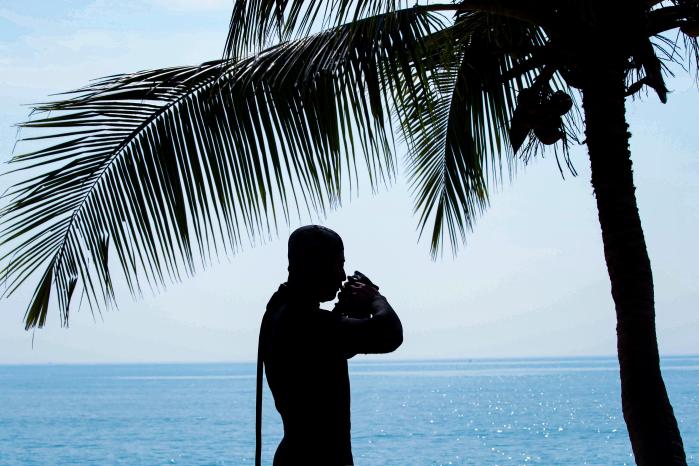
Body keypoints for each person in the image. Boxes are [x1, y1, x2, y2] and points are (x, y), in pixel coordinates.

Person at [255, 225, 403, 466]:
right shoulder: (303, 321)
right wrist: (375, 299)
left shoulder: (281, 312)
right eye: (338, 264)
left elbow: (330, 351)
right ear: (314, 264)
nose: (342, 276)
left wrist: (344, 311)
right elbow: (390, 334)